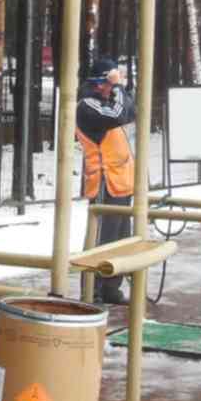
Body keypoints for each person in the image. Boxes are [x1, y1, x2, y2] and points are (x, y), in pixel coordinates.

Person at [75, 57, 135, 306]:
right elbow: (120, 114)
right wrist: (120, 87)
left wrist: (118, 88)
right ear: (100, 83)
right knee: (102, 240)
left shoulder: (105, 101)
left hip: (120, 180)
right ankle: (93, 289)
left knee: (121, 238)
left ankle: (111, 286)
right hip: (104, 181)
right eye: (109, 83)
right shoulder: (88, 105)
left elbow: (130, 110)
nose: (113, 88)